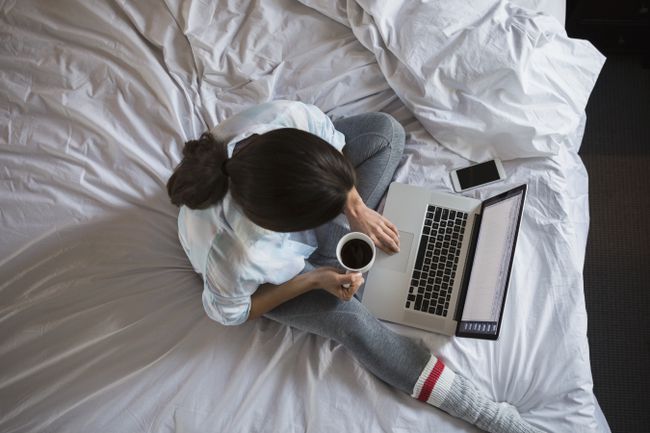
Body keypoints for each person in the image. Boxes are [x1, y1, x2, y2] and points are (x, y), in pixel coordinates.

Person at [167, 100, 542, 433]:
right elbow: (232, 312)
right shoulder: (237, 255)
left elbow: (342, 146)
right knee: (350, 320)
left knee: (386, 133)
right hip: (273, 274)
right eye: (327, 214)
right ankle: (485, 414)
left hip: (282, 191)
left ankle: (346, 240)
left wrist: (355, 206)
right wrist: (314, 279)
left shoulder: (289, 117)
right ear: (289, 224)